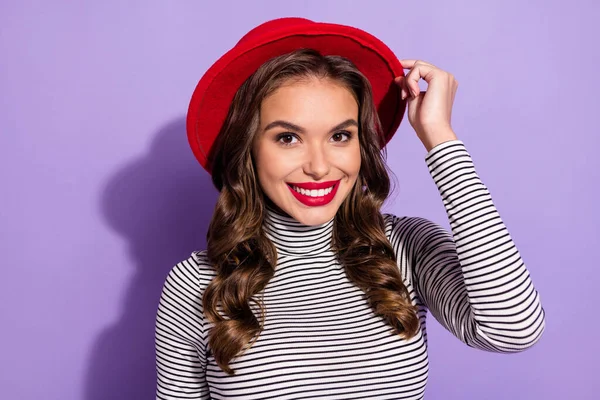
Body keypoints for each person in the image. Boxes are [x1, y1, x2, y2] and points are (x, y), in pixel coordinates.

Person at [154, 18, 545, 400]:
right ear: (249, 150)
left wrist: (440, 138)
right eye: (288, 138)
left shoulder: (404, 247)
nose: (320, 166)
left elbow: (512, 331)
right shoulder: (195, 285)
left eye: (340, 136)